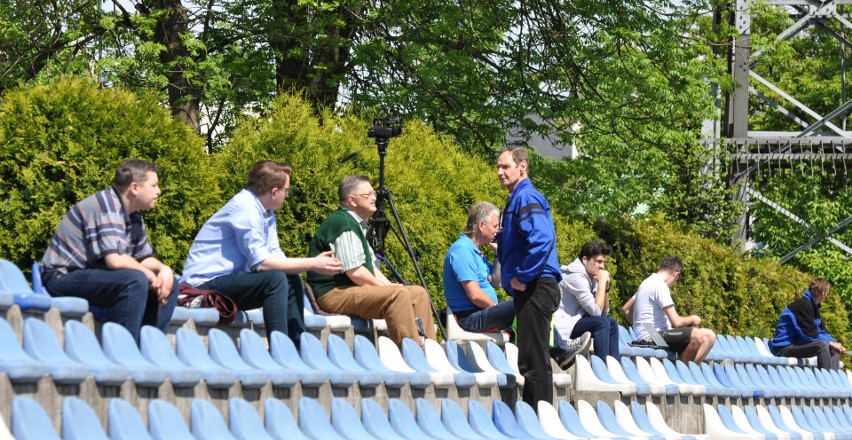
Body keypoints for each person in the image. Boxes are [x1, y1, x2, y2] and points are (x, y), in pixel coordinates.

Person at [181, 161, 341, 347]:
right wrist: (313, 264)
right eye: (286, 190)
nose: (287, 195)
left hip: (228, 282)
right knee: (274, 280)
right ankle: (280, 350)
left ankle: (296, 349)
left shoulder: (266, 213)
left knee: (291, 279)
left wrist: (312, 264)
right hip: (203, 286)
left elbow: (275, 256)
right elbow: (262, 263)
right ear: (274, 191)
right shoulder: (245, 208)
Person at [40, 159, 177, 343]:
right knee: (135, 281)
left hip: (93, 274)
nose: (159, 191)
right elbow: (116, 260)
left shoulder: (133, 215)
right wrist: (149, 275)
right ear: (135, 187)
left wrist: (163, 270)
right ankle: (124, 352)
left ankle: (151, 348)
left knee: (169, 283)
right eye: (154, 185)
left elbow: (142, 258)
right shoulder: (106, 205)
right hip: (62, 276)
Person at [442, 200, 591, 368]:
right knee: (526, 301)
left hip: (481, 314)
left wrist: (498, 254)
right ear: (481, 225)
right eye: (495, 226)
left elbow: (496, 282)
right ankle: (559, 350)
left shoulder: (477, 252)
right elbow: (475, 295)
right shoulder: (462, 250)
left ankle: (555, 351)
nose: (497, 231)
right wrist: (496, 307)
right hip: (470, 319)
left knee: (530, 303)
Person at [307, 175, 437, 347]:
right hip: (333, 292)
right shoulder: (343, 223)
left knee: (418, 294)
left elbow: (370, 269)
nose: (374, 197)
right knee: (396, 295)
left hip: (349, 289)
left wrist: (390, 285)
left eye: (373, 193)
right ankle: (411, 356)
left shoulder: (358, 224)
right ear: (352, 201)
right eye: (367, 195)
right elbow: (356, 273)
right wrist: (388, 289)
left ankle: (431, 351)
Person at [496, 147, 563, 406]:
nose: (500, 172)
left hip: (535, 285)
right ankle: (536, 420)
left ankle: (540, 424)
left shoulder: (526, 197)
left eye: (506, 166)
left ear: (522, 166)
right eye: (498, 168)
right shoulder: (517, 199)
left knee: (533, 362)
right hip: (533, 286)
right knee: (531, 360)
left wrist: (522, 276)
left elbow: (542, 239)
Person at [622, 256, 716, 363]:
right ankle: (682, 373)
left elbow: (626, 309)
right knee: (696, 335)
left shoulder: (646, 283)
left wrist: (640, 327)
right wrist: (693, 319)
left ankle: (689, 372)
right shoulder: (660, 286)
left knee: (710, 336)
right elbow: (677, 323)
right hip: (653, 336)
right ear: (676, 274)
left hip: (653, 334)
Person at [555, 240, 621, 361]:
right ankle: (603, 368)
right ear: (585, 260)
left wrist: (605, 288)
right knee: (602, 323)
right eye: (599, 262)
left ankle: (615, 368)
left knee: (611, 322)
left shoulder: (590, 276)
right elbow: (596, 313)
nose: (602, 267)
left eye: (604, 262)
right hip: (563, 326)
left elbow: (603, 313)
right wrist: (601, 282)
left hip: (575, 321)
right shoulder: (575, 277)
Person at [769, 278, 846, 370]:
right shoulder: (803, 306)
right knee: (822, 345)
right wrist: (831, 343)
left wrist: (834, 344)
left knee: (832, 348)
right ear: (823, 293)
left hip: (794, 346)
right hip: (783, 349)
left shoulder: (813, 307)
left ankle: (833, 381)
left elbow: (821, 331)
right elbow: (808, 334)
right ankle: (826, 382)